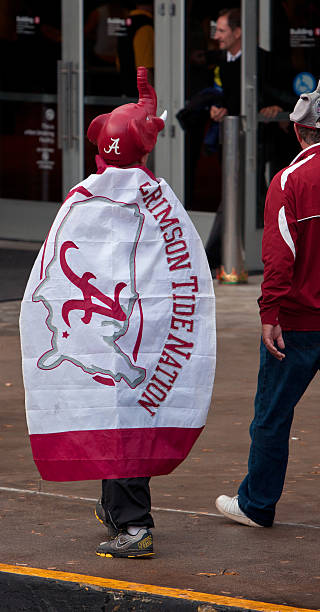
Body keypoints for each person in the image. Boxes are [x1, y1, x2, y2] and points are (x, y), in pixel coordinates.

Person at [20, 68, 215, 559]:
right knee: (128, 416)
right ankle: (115, 510)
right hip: (139, 337)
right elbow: (185, 278)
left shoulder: (82, 198)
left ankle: (135, 526)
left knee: (122, 420)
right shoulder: (159, 200)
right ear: (145, 149)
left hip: (100, 335)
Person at [215, 80, 320, 527]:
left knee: (272, 418)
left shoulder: (290, 180)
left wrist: (269, 313)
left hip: (296, 324)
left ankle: (257, 504)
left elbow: (279, 256)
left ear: (299, 132)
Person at [205, 7, 285, 270]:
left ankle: (215, 257)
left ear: (238, 32)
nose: (216, 35)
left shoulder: (265, 61)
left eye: (221, 30)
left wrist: (275, 109)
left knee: (252, 197)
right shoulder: (219, 60)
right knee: (237, 198)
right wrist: (216, 109)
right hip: (229, 140)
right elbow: (217, 95)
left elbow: (280, 94)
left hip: (258, 141)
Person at [117, 3, 154, 95]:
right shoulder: (145, 25)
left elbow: (119, 62)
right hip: (139, 95)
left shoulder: (124, 25)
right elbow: (145, 68)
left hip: (126, 90)